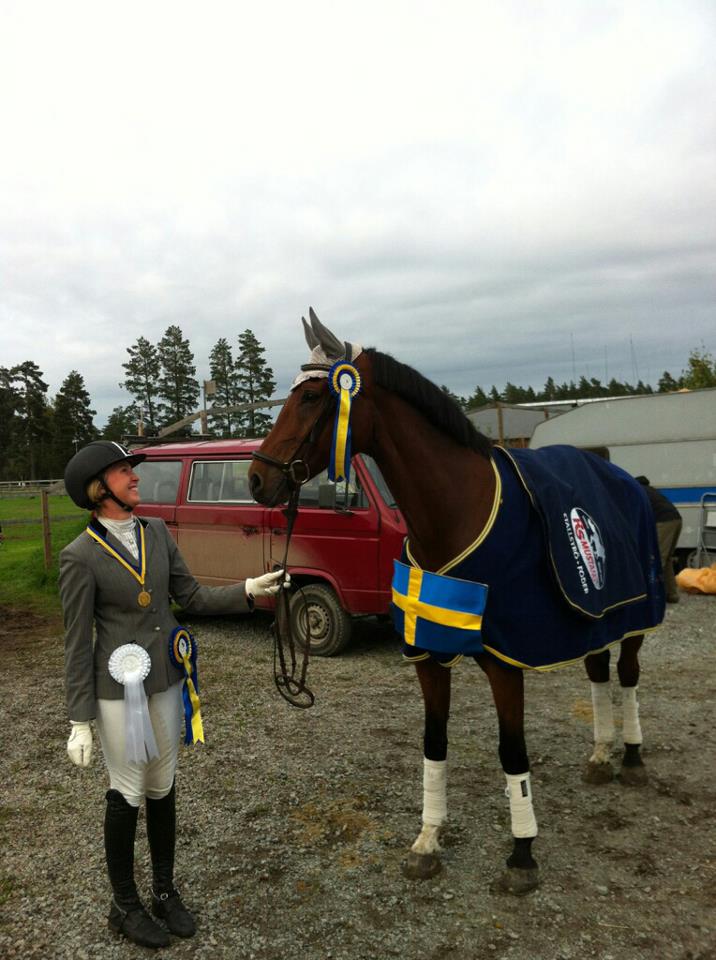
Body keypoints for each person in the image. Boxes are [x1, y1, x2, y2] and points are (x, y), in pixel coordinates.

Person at [60, 440, 288, 949]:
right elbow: (78, 643)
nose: (136, 478)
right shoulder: (78, 557)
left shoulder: (157, 532)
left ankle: (164, 890)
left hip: (165, 679)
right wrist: (79, 719)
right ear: (99, 490)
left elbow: (191, 596)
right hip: (118, 694)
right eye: (124, 473)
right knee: (127, 790)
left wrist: (249, 589)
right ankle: (124, 903)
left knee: (162, 784)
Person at [635, 475, 683, 603]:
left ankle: (653, 596)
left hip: (664, 521)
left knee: (656, 559)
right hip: (676, 519)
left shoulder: (638, 491)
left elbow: (638, 515)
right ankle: (671, 594)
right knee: (667, 559)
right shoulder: (652, 491)